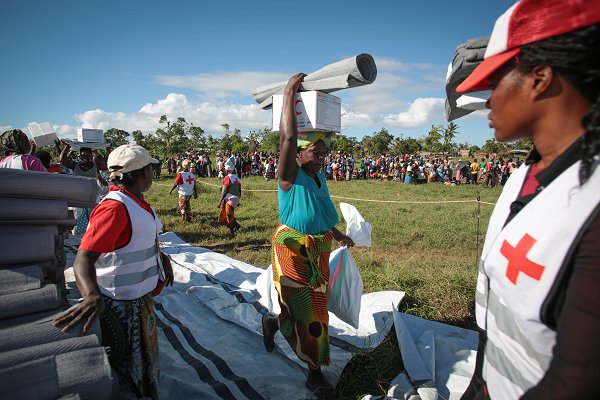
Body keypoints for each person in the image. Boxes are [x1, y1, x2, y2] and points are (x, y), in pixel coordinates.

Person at [455, 1, 600, 399]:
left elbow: (576, 381)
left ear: (540, 78)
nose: (487, 99)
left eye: (496, 80)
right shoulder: (525, 174)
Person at [53, 144, 174, 400]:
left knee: (143, 366)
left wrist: (161, 259)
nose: (154, 173)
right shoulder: (114, 208)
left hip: (139, 303)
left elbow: (141, 239)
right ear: (142, 174)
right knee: (125, 372)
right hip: (120, 308)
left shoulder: (137, 202)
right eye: (151, 169)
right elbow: (83, 258)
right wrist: (91, 295)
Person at [262, 73, 355, 393]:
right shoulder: (290, 176)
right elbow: (286, 138)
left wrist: (338, 234)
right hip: (293, 248)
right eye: (317, 151)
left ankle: (273, 322)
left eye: (325, 151)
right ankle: (314, 373)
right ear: (299, 153)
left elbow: (318, 210)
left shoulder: (318, 176)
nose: (323, 156)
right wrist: (289, 93)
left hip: (319, 247)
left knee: (306, 307)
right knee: (311, 313)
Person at [59, 141, 108, 234]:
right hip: (79, 198)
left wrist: (107, 149)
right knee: (79, 222)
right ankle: (79, 241)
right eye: (82, 155)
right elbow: (62, 159)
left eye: (87, 155)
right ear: (79, 156)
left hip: (93, 197)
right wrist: (67, 146)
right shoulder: (75, 165)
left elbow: (108, 163)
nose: (85, 158)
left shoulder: (95, 166)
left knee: (94, 221)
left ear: (91, 155)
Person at [217, 157, 242, 235]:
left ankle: (233, 229)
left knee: (229, 215)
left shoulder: (227, 177)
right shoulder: (237, 178)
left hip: (230, 198)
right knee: (230, 213)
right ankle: (236, 226)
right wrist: (238, 200)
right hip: (235, 198)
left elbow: (224, 191)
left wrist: (219, 201)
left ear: (227, 170)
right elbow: (239, 190)